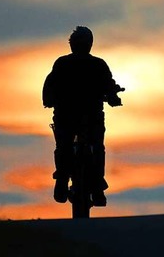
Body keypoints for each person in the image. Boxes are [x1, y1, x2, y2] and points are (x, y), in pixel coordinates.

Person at [42, 26, 123, 207]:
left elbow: (49, 88)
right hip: (85, 118)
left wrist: (113, 96)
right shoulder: (97, 64)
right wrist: (113, 97)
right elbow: (109, 87)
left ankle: (64, 180)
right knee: (94, 147)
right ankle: (93, 188)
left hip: (72, 118)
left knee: (68, 146)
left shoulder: (62, 63)